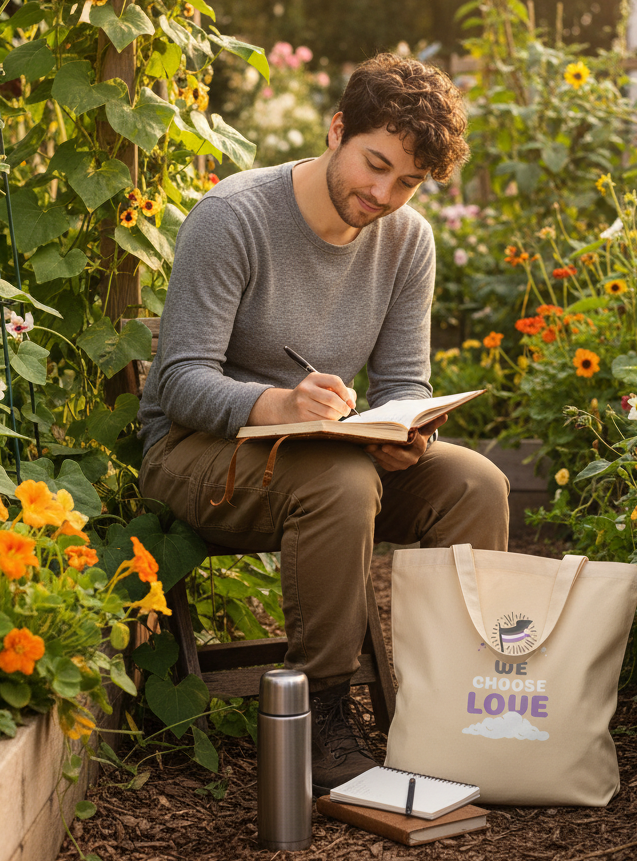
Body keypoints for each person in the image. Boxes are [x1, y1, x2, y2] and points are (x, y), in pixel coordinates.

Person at [137, 53, 510, 795]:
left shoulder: (407, 242)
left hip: (325, 459)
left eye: (406, 182)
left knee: (477, 482)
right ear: (337, 128)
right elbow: (177, 381)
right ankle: (322, 714)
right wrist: (274, 405)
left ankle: (459, 705)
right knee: (338, 480)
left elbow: (405, 383)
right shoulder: (234, 218)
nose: (383, 194)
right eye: (375, 165)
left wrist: (407, 433)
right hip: (198, 455)